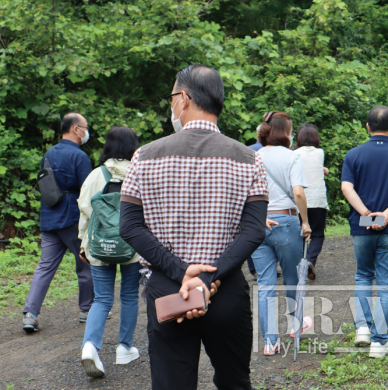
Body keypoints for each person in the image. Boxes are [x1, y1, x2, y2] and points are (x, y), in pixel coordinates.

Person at [119, 65, 269, 390]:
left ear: (184, 98)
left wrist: (182, 271)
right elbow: (254, 231)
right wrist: (207, 277)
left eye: (173, 96)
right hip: (225, 289)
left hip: (169, 290)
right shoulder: (249, 159)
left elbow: (129, 227)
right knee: (234, 383)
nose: (172, 104)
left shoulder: (144, 157)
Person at [341, 106, 388, 358]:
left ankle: (362, 328)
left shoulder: (353, 154)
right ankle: (379, 342)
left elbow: (346, 187)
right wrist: (385, 215)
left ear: (367, 127)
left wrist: (366, 213)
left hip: (361, 223)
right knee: (386, 286)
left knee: (363, 275)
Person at [78, 127, 141, 378]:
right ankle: (124, 348)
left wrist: (84, 243)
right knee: (129, 296)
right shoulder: (139, 173)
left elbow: (84, 211)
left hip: (100, 246)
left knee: (102, 299)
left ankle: (90, 346)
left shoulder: (96, 175)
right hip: (133, 246)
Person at [23, 113, 94, 333]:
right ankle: (86, 310)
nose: (86, 130)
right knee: (85, 264)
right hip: (72, 218)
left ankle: (30, 315)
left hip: (49, 217)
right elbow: (87, 190)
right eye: (85, 127)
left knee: (45, 267)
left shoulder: (49, 153)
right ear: (75, 129)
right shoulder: (79, 156)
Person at [252, 111, 312, 356]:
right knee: (292, 279)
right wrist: (305, 222)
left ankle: (269, 342)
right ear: (286, 132)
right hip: (286, 220)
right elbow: (298, 193)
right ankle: (294, 328)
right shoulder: (292, 156)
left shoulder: (252, 156)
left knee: (265, 284)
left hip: (259, 222)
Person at [294, 124, 329, 280]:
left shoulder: (293, 154)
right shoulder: (320, 153)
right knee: (318, 235)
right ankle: (310, 260)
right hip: (317, 198)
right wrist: (323, 170)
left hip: (299, 199)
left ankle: (299, 264)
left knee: (300, 233)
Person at [246, 124, 264, 280]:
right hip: (268, 196)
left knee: (252, 230)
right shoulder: (277, 150)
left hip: (251, 196)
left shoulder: (249, 149)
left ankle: (255, 269)